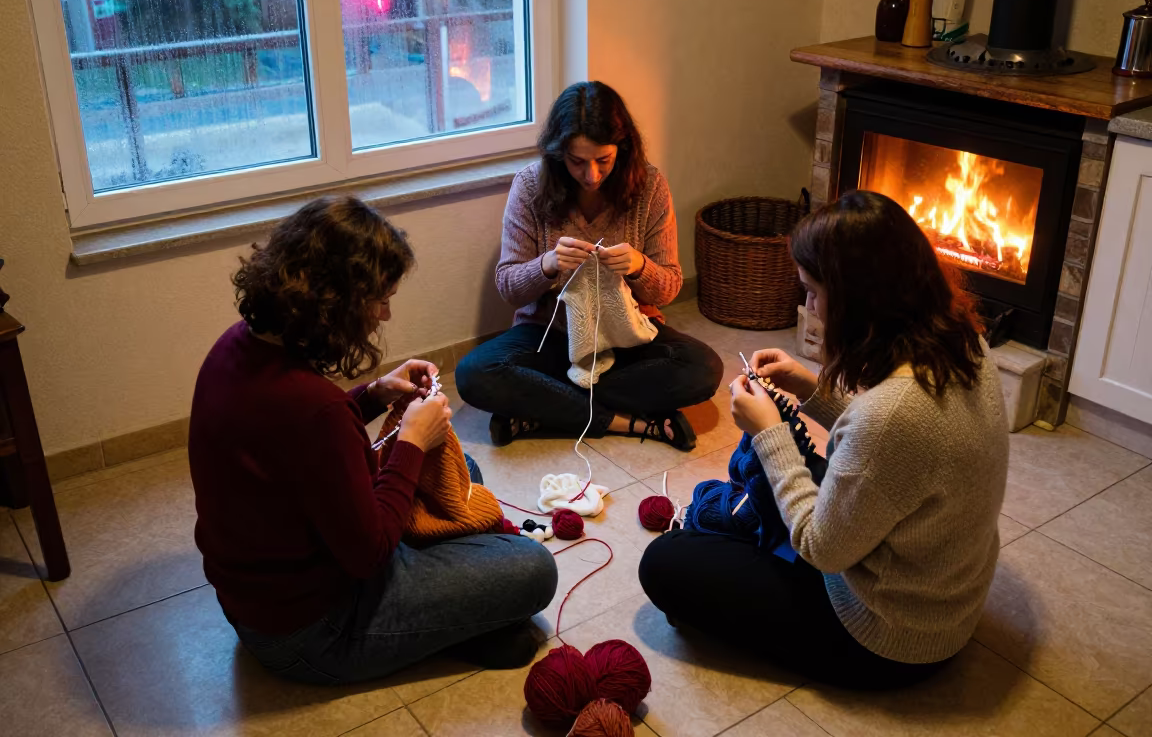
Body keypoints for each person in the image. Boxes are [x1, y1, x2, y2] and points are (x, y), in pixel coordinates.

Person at [638, 190, 1010, 690]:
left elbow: (822, 548)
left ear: (858, 300)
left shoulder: (890, 415)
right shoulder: (964, 338)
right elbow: (901, 452)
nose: (808, 307)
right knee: (780, 488)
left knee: (665, 563)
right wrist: (810, 389)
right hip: (940, 600)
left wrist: (769, 433)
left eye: (813, 291)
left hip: (887, 640)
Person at [188, 196, 557, 685]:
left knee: (461, 471)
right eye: (379, 299)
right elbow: (368, 552)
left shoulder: (234, 345)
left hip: (260, 604)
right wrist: (409, 443)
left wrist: (375, 394)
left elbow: (302, 448)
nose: (383, 315)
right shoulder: (313, 411)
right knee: (534, 569)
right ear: (335, 303)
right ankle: (464, 623)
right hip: (313, 633)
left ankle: (464, 616)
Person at [456, 81, 723, 450]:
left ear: (622, 149)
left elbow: (670, 286)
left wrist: (638, 265)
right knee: (474, 374)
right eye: (577, 161)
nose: (592, 175)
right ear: (557, 153)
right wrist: (547, 265)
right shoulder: (530, 187)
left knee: (704, 368)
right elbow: (508, 287)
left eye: (604, 161)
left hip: (627, 334)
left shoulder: (651, 186)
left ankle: (543, 406)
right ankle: (628, 421)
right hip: (549, 334)